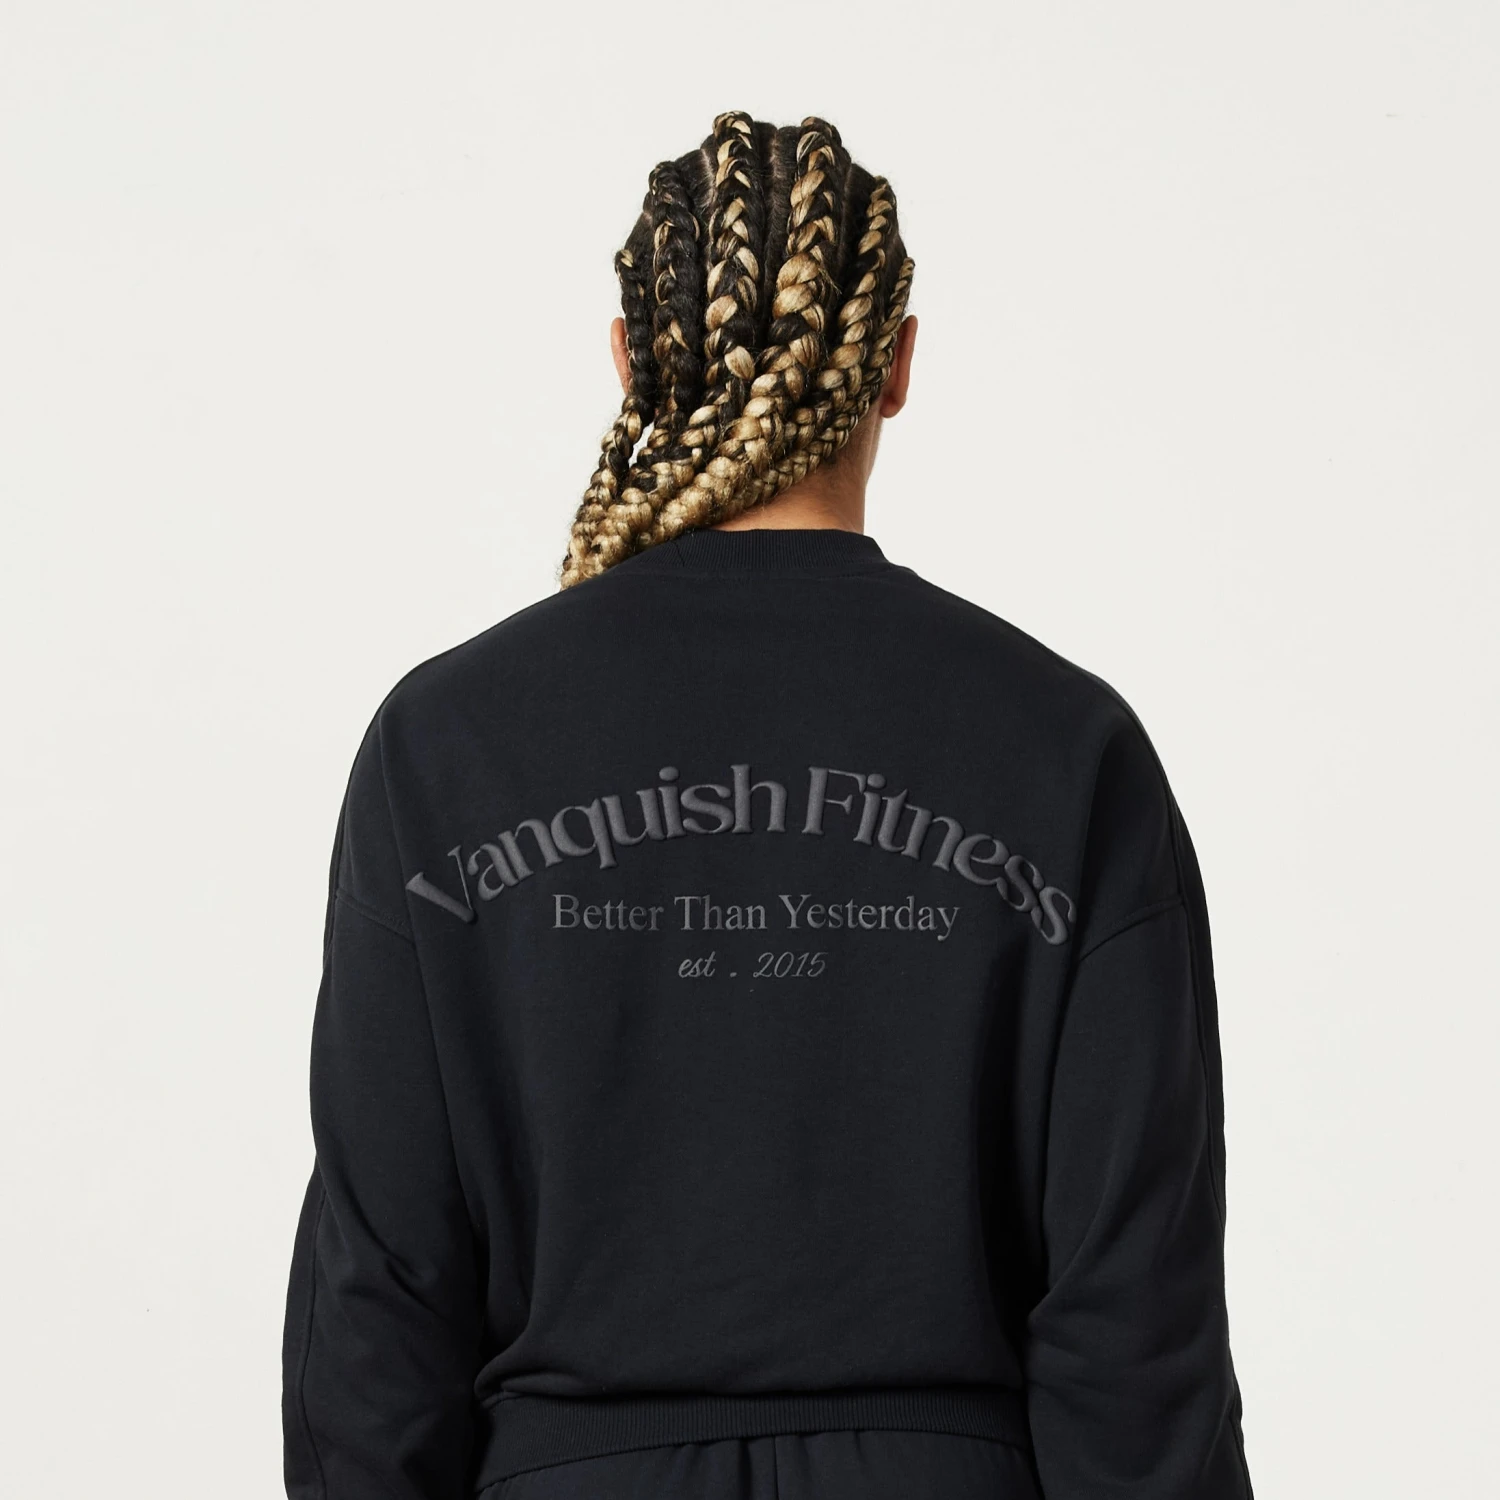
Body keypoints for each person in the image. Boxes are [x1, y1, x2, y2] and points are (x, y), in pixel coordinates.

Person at [281, 111, 1254, 1500]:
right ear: (898, 367)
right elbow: (1136, 1322)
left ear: (627, 358)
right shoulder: (1067, 747)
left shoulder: (442, 747)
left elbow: (378, 1309)